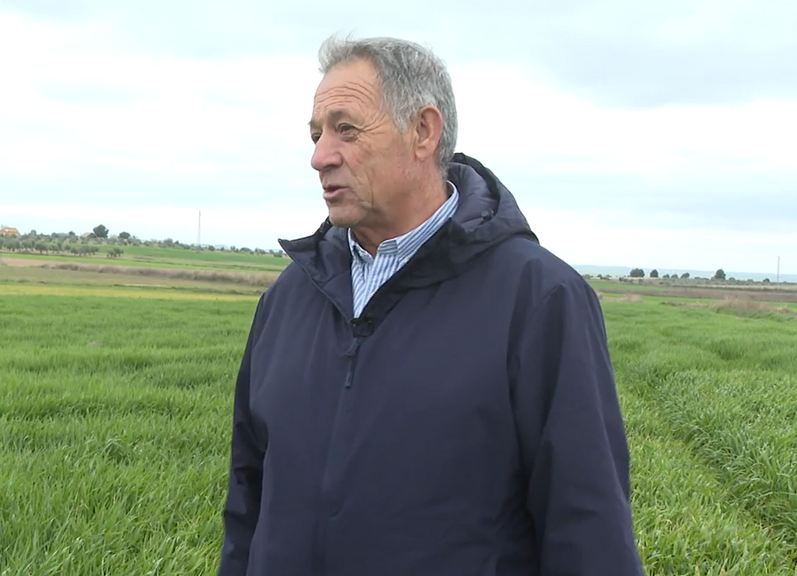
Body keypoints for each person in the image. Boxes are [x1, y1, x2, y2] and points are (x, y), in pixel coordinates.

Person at [217, 34, 645, 576]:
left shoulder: (539, 300)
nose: (320, 156)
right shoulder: (287, 299)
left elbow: (589, 532)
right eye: (317, 133)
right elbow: (246, 506)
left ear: (423, 131)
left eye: (346, 129)